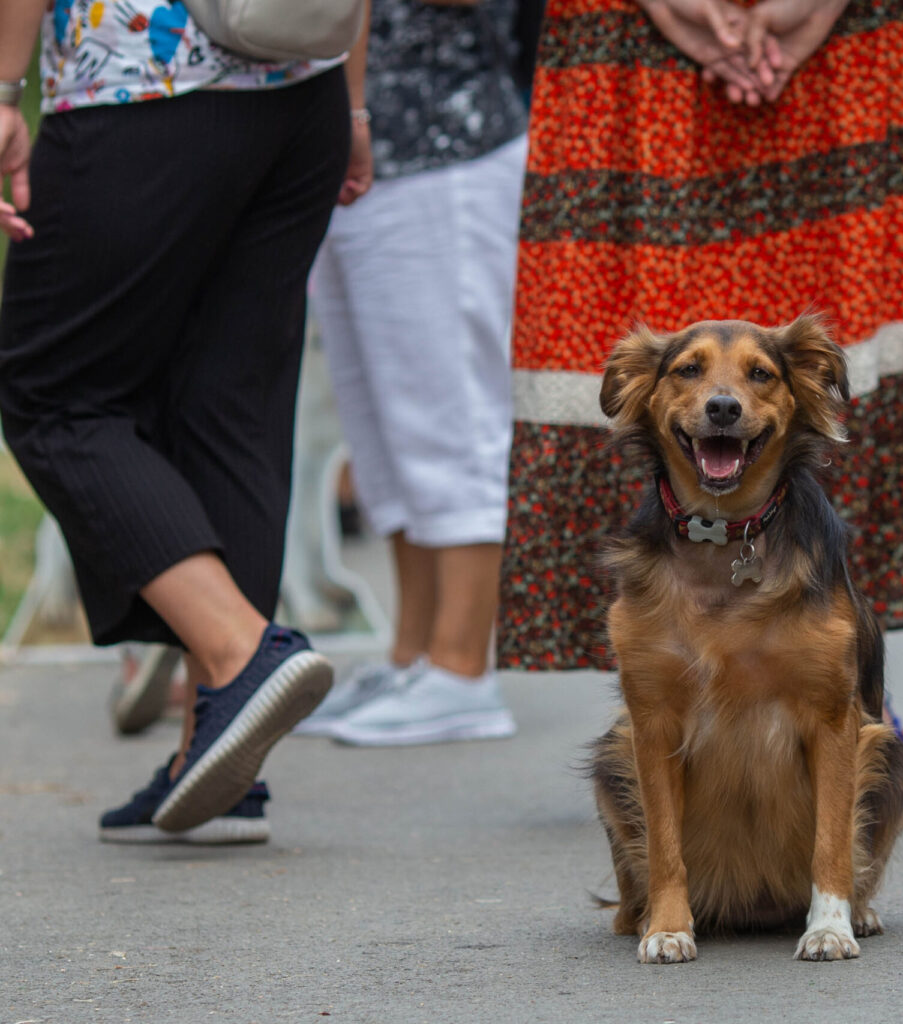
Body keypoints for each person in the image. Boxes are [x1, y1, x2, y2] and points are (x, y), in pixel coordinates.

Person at [499, 0, 903, 806]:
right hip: (633, 39)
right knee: (659, 366)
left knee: (826, 352)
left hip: (840, 43)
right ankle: (676, 707)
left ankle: (839, 692)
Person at [0, 0, 372, 838]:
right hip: (302, 89)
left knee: (52, 397)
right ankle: (217, 755)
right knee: (228, 405)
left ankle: (242, 652)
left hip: (135, 86)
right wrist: (353, 103)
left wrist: (0, 90)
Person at [295, 0, 530, 746]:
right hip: (359, 152)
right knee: (385, 433)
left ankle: (463, 671)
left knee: (450, 415)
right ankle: (414, 656)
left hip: (446, 145)